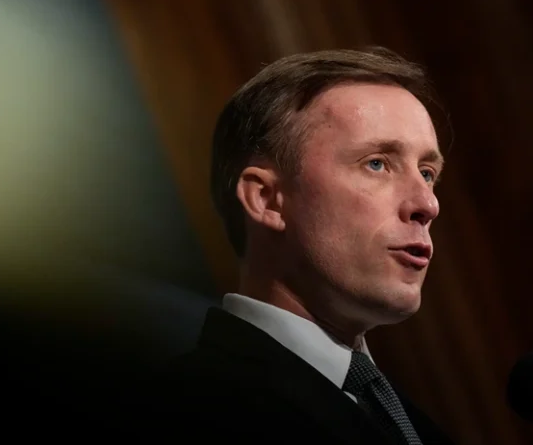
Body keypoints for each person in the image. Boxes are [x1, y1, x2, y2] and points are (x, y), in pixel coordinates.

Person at [155, 47, 455, 444]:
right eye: (377, 163)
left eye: (427, 172)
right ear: (267, 199)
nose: (427, 204)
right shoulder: (188, 411)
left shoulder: (406, 418)